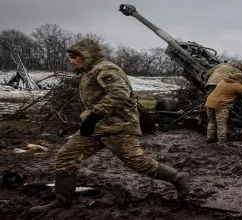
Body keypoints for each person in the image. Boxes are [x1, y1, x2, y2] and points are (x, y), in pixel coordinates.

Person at [30, 39, 190, 213]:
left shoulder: (105, 69)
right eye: (71, 57)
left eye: (75, 56)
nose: (72, 60)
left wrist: (95, 114)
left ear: (87, 55)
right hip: (96, 126)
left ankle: (178, 177)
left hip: (118, 127)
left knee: (138, 162)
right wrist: (90, 119)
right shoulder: (90, 70)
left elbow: (120, 92)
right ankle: (62, 201)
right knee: (66, 156)